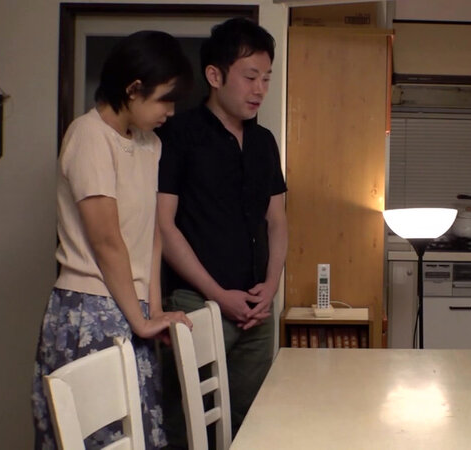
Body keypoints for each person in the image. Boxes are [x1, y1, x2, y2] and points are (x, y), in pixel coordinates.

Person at [32, 31, 194, 449]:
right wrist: (141, 320)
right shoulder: (88, 135)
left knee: (139, 434)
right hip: (90, 308)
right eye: (165, 99)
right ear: (133, 89)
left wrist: (153, 310)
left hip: (131, 308)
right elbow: (107, 241)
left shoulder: (149, 144)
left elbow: (150, 234)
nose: (171, 111)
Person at [156, 17, 288, 446]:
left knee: (252, 421)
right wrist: (217, 294)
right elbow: (163, 226)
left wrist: (271, 286)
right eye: (250, 77)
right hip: (195, 303)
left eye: (266, 78)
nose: (260, 89)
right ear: (215, 76)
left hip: (256, 308)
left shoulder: (264, 142)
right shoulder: (178, 134)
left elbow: (277, 220)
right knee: (188, 424)